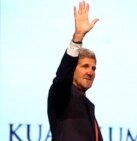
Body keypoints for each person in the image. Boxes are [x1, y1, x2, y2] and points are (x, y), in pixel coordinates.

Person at [47, 1, 103, 141]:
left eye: (93, 68)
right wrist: (77, 38)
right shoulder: (62, 94)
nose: (90, 72)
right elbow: (62, 76)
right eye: (85, 66)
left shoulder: (87, 105)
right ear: (72, 70)